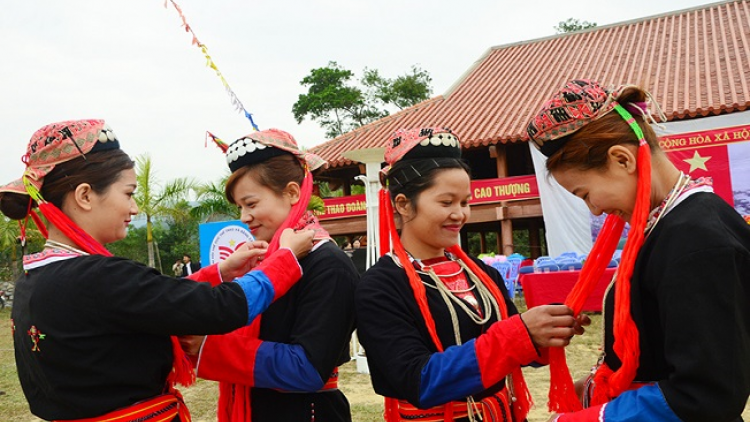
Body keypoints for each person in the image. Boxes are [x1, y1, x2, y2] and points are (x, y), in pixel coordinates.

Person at [0, 119, 315, 422]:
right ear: (85, 196)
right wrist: (284, 259)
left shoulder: (33, 277)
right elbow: (223, 308)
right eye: (128, 193)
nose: (135, 208)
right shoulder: (100, 276)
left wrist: (219, 271)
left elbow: (151, 301)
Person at [525, 79, 750, 421]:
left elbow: (705, 396)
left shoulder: (698, 240)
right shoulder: (671, 227)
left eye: (585, 194)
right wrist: (594, 387)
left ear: (622, 160)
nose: (595, 211)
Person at [355, 127, 587, 422]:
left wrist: (546, 331)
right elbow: (416, 380)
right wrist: (518, 334)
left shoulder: (482, 273)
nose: (460, 214)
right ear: (403, 204)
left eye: (465, 202)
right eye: (446, 202)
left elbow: (518, 347)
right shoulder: (380, 286)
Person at [181, 128, 359, 421]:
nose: (243, 217)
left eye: (251, 204)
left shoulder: (329, 264)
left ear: (291, 193)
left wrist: (210, 348)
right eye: (239, 207)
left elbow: (308, 368)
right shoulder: (264, 261)